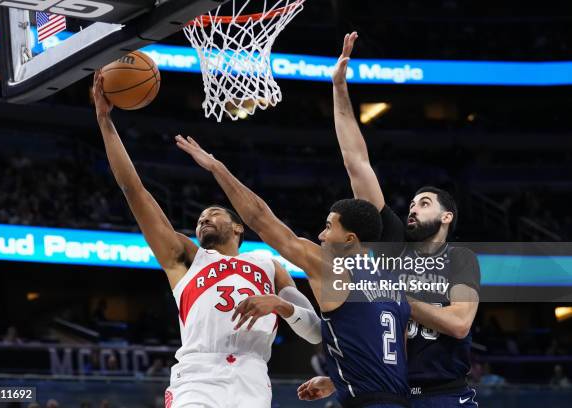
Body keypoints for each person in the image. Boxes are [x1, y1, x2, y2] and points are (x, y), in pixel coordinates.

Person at [92, 71, 320, 408]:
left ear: (238, 227)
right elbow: (134, 191)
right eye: (200, 217)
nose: (203, 218)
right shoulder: (185, 258)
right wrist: (104, 120)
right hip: (198, 376)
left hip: (253, 378)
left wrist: (281, 305)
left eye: (214, 213)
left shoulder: (268, 265)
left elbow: (314, 332)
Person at [176, 135, 410, 407]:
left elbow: (260, 220)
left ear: (350, 240)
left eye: (329, 226)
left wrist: (217, 168)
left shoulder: (335, 269)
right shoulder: (394, 288)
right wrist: (338, 381)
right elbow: (391, 358)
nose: (321, 235)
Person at [327, 32, 481, 407]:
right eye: (411, 203)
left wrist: (395, 296)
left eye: (424, 203)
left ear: (447, 216)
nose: (413, 208)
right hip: (392, 394)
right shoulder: (393, 242)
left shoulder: (460, 259)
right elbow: (357, 162)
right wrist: (338, 88)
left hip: (445, 394)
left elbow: (459, 323)